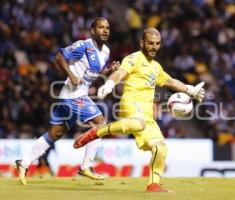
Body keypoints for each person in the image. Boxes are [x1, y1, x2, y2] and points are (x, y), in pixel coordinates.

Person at [73, 28, 205, 192]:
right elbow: (120, 72)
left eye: (157, 44)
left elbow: (170, 81)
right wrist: (109, 84)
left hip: (147, 115)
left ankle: (153, 185)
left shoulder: (156, 67)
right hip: (130, 105)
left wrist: (189, 89)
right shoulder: (134, 58)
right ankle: (96, 133)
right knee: (137, 123)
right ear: (142, 43)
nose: (154, 47)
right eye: (150, 43)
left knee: (160, 148)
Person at [15, 17, 119, 185]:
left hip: (73, 96)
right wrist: (71, 75)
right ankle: (86, 167)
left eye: (107, 27)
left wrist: (109, 70)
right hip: (73, 95)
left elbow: (94, 74)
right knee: (101, 123)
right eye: (101, 27)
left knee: (55, 133)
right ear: (93, 31)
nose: (105, 30)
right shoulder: (83, 46)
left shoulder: (105, 51)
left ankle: (24, 162)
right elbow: (59, 56)